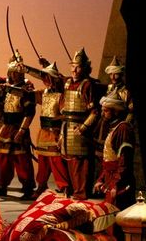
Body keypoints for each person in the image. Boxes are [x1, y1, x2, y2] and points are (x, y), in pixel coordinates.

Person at [0, 53, 36, 199]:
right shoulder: (6, 90)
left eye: (17, 73)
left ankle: (27, 187)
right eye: (12, 73)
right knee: (3, 158)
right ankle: (2, 185)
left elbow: (29, 113)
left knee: (21, 159)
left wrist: (22, 130)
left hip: (18, 127)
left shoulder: (26, 91)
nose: (14, 75)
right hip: (6, 127)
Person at [22, 61, 70, 198]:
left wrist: (56, 121)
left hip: (55, 132)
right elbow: (27, 94)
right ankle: (41, 185)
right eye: (45, 78)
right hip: (43, 132)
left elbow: (65, 114)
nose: (46, 80)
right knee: (43, 161)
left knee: (56, 161)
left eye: (49, 78)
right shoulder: (43, 93)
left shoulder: (62, 95)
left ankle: (64, 187)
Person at [58, 48, 99, 200]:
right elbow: (53, 77)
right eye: (73, 66)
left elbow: (95, 112)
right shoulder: (68, 83)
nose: (74, 70)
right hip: (66, 127)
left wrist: (84, 127)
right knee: (68, 160)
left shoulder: (87, 85)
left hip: (79, 128)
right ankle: (71, 190)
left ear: (85, 68)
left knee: (80, 163)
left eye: (78, 67)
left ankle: (81, 192)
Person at [92, 56, 132, 196]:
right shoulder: (108, 88)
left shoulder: (125, 92)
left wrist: (124, 125)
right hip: (106, 126)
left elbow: (130, 111)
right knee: (104, 157)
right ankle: (102, 183)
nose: (113, 77)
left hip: (118, 126)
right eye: (111, 74)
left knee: (117, 158)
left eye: (116, 74)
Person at [92, 94, 135, 210]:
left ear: (115, 112)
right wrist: (101, 179)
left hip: (120, 180)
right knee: (110, 212)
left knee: (118, 212)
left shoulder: (123, 129)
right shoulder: (114, 128)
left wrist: (116, 183)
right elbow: (108, 161)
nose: (103, 114)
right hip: (110, 178)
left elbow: (124, 160)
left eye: (106, 111)